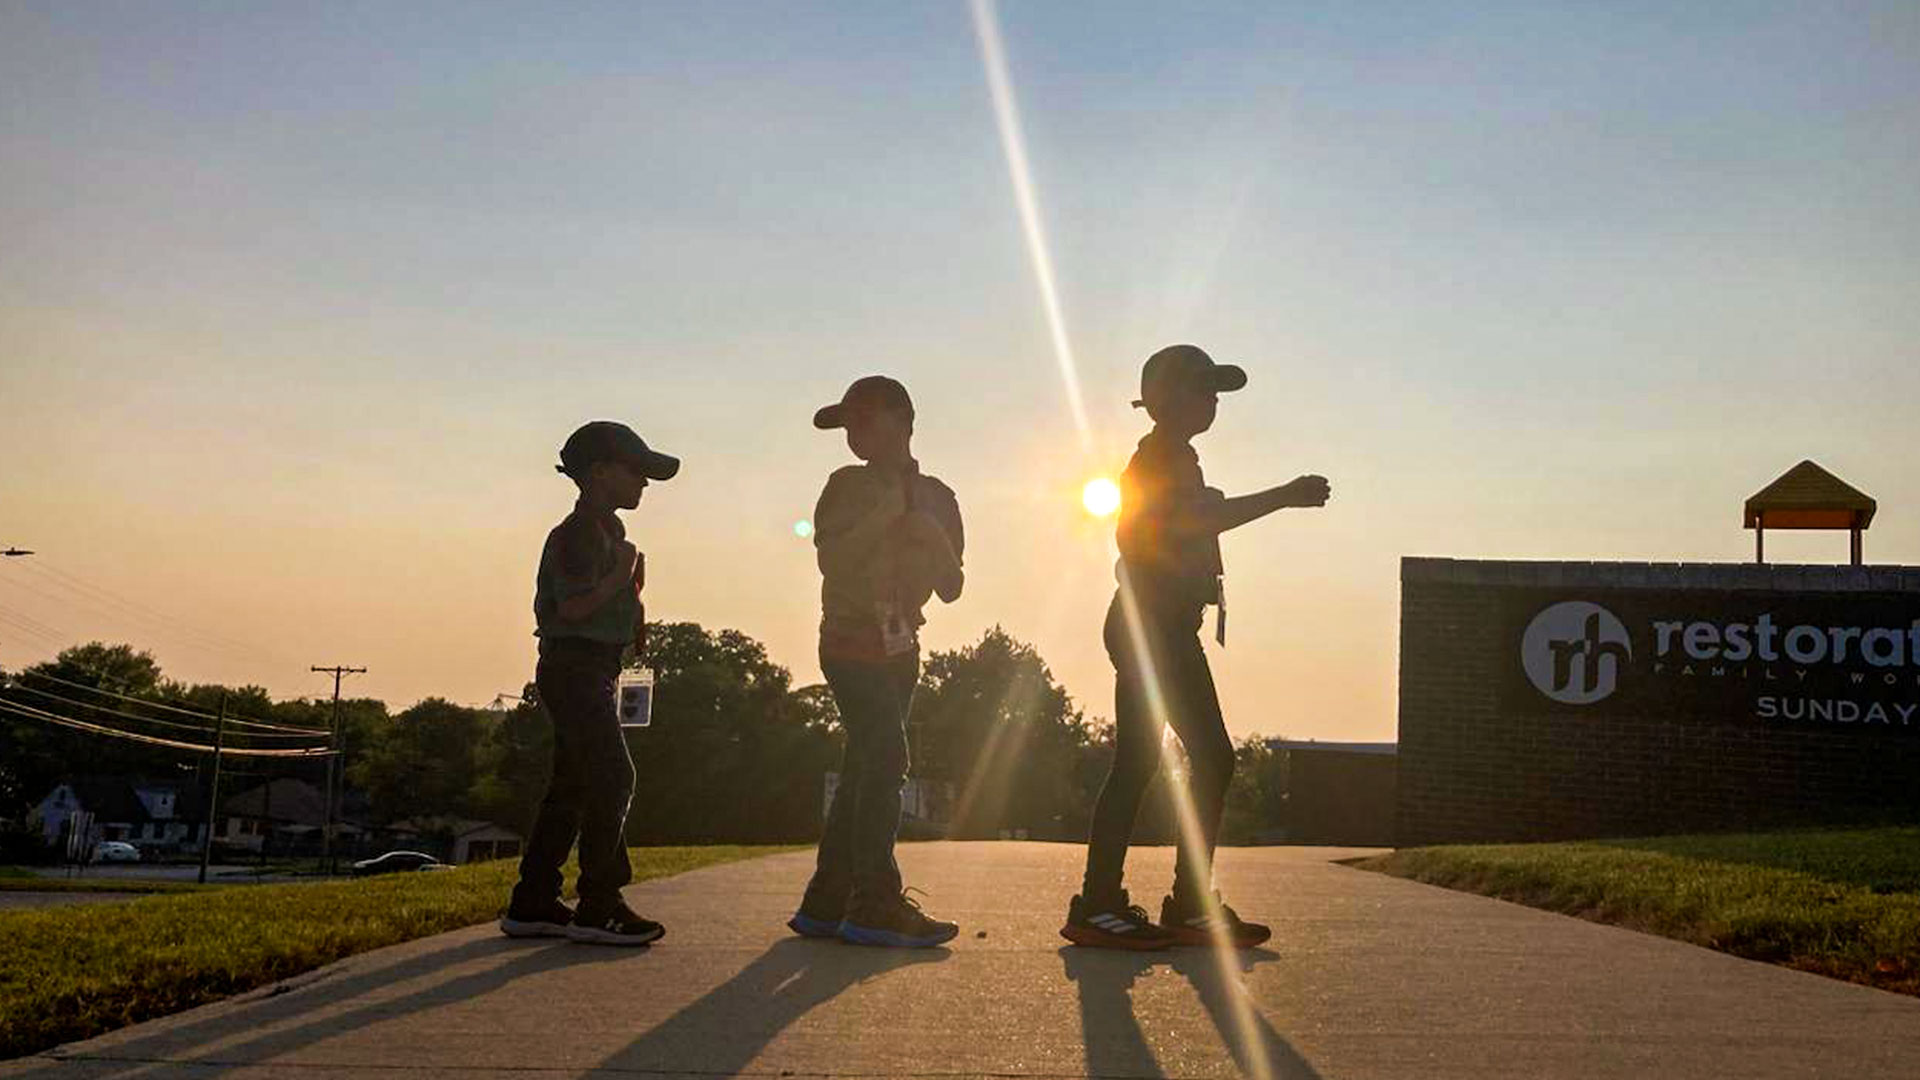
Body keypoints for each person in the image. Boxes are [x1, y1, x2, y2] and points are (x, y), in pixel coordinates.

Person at [1062, 345, 1331, 950]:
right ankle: (1161, 905)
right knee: (1211, 757)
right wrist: (1283, 495)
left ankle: (1121, 902)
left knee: (1142, 763)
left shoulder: (1177, 458)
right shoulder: (1159, 458)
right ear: (1164, 399)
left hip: (1156, 624)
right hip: (1151, 626)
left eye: (1216, 392)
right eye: (1202, 389)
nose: (1212, 401)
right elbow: (1188, 526)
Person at [789, 375, 965, 948]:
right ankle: (875, 902)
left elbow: (952, 587)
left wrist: (933, 535)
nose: (853, 435)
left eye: (863, 421)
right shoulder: (844, 486)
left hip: (900, 648)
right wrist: (888, 512)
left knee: (866, 766)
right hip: (848, 642)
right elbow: (833, 562)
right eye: (846, 426)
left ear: (901, 420)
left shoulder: (940, 496)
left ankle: (826, 900)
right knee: (887, 757)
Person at [501, 420, 680, 946]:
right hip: (575, 667)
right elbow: (574, 608)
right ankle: (599, 902)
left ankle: (533, 899)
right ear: (599, 473)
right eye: (637, 472)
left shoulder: (605, 532)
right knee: (614, 777)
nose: (644, 484)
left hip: (588, 669)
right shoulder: (582, 533)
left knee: (572, 786)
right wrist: (620, 575)